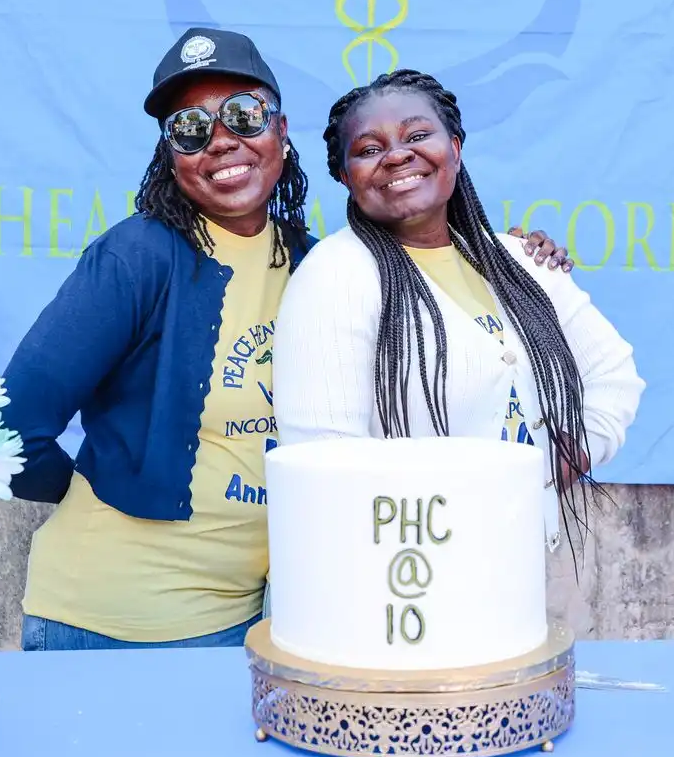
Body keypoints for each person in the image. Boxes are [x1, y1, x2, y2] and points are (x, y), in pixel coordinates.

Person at [2, 31, 573, 650]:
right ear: (172, 154)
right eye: (190, 128)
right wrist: (109, 486)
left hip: (259, 620)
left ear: (280, 129)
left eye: (244, 115)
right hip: (111, 623)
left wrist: (519, 259)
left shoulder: (320, 266)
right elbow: (10, 430)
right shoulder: (136, 257)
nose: (222, 139)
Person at [273, 69, 645, 548]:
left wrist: (546, 471)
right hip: (402, 573)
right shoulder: (335, 275)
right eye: (369, 149)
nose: (397, 155)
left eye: (417, 136)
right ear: (346, 176)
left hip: (516, 563)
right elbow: (324, 460)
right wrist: (458, 511)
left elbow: (613, 376)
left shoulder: (519, 261)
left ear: (454, 147)